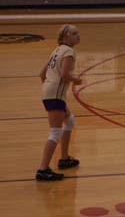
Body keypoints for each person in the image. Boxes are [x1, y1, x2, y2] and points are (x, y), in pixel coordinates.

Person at [36, 24, 82, 181]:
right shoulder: (68, 51)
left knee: (69, 120)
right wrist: (77, 80)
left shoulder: (57, 50)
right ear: (66, 37)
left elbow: (42, 74)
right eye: (74, 33)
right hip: (55, 94)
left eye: (78, 33)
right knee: (55, 133)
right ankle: (42, 169)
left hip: (51, 92)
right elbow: (64, 74)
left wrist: (49, 89)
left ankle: (64, 159)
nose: (78, 35)